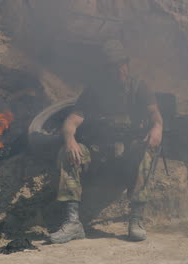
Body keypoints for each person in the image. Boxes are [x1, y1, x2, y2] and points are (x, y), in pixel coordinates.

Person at [49, 40, 163, 244]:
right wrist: (69, 139)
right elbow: (71, 121)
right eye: (113, 66)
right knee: (67, 152)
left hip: (129, 152)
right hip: (98, 151)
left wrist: (157, 129)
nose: (119, 70)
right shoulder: (94, 91)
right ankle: (72, 222)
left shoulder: (139, 87)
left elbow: (155, 116)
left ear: (127, 65)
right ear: (105, 70)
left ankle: (136, 219)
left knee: (148, 150)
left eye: (121, 64)